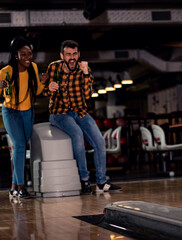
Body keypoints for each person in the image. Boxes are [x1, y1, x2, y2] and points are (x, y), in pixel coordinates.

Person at [42, 40, 121, 194]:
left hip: (80, 112)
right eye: (68, 54)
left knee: (99, 141)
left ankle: (101, 182)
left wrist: (85, 73)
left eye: (74, 54)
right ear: (62, 55)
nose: (72, 57)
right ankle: (84, 180)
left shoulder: (83, 69)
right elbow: (45, 92)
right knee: (77, 134)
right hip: (59, 114)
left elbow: (87, 95)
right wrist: (48, 87)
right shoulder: (53, 67)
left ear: (78, 54)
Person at [0, 36, 46, 199]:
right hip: (11, 112)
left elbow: (38, 91)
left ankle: (13, 186)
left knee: (22, 147)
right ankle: (21, 187)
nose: (28, 58)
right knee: (19, 145)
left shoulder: (33, 67)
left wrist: (43, 83)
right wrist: (3, 88)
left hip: (28, 112)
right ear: (15, 55)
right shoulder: (5, 72)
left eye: (29, 54)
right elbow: (5, 94)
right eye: (23, 54)